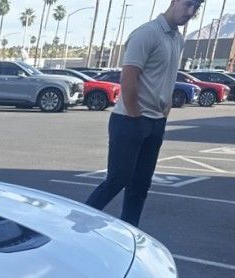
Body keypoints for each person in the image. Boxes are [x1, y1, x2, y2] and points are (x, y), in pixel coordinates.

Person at [85, 0, 203, 226]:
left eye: (196, 8)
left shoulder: (177, 39)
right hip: (130, 120)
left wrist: (165, 110)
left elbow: (165, 77)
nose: (191, 12)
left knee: (139, 187)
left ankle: (131, 234)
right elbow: (128, 78)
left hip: (156, 122)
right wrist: (135, 116)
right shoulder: (147, 33)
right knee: (117, 180)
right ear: (174, 1)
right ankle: (77, 226)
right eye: (188, 4)